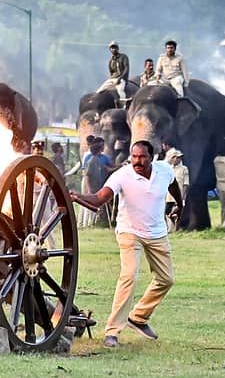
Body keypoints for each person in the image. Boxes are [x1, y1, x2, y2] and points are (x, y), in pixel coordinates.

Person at [71, 140, 181, 348]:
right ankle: (112, 332)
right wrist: (77, 197)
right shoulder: (122, 175)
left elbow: (174, 185)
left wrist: (179, 205)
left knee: (166, 279)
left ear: (152, 157)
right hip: (130, 232)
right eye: (134, 157)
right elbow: (99, 199)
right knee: (129, 276)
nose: (137, 161)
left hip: (157, 233)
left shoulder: (164, 170)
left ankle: (138, 317)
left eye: (142, 157)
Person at [164, 148, 189, 231]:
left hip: (178, 196)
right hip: (168, 196)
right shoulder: (168, 169)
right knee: (167, 212)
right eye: (176, 157)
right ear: (172, 158)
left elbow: (186, 184)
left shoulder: (184, 169)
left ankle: (174, 230)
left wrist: (183, 196)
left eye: (179, 158)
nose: (178, 159)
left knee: (177, 212)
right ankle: (170, 229)